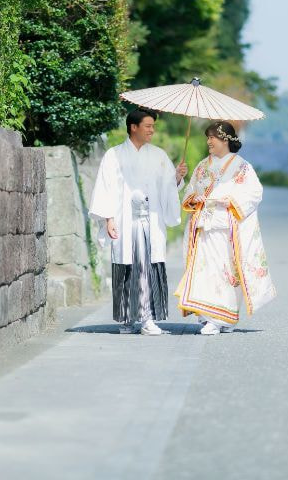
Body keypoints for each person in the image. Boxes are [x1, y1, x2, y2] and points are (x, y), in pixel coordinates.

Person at [89, 108, 187, 335]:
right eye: (148, 126)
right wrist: (108, 218)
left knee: (147, 268)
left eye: (153, 126)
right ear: (134, 127)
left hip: (150, 220)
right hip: (126, 220)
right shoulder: (114, 155)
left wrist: (177, 177)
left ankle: (147, 318)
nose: (152, 130)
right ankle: (127, 318)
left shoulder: (158, 155)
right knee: (127, 267)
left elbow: (167, 186)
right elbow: (106, 187)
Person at [175, 121, 276, 335]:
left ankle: (222, 318)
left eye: (213, 137)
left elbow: (254, 193)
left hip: (226, 226)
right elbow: (190, 193)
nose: (209, 141)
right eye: (208, 137)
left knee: (226, 272)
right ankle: (208, 316)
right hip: (204, 226)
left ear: (225, 139)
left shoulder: (242, 166)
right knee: (204, 270)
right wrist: (195, 198)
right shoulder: (203, 165)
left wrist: (229, 200)